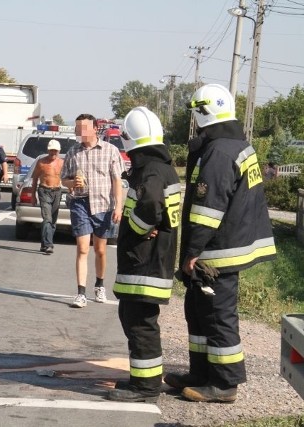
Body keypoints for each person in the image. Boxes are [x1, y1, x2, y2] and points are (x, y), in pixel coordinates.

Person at [164, 83, 277, 403]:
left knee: (217, 315)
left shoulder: (218, 151)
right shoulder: (235, 144)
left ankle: (225, 383)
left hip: (217, 251)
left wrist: (191, 252)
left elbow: (207, 209)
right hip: (224, 245)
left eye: (195, 113)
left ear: (203, 112)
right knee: (197, 311)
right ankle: (201, 373)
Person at [106, 107, 180, 403]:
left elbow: (150, 206)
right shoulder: (160, 167)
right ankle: (145, 378)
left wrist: (135, 228)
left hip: (144, 264)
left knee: (139, 323)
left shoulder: (150, 170)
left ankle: (146, 387)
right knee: (136, 319)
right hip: (150, 262)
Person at [61, 114, 124, 308]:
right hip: (80, 203)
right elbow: (64, 179)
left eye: (85, 128)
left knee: (100, 250)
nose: (81, 132)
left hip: (103, 205)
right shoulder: (73, 152)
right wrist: (72, 183)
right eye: (78, 128)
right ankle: (80, 293)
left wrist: (118, 206)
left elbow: (117, 181)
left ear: (96, 128)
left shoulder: (110, 150)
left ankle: (100, 285)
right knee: (82, 248)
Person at [30, 139, 64, 254]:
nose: (53, 153)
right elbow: (34, 179)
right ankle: (49, 245)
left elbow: (66, 178)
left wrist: (73, 189)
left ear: (58, 151)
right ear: (48, 151)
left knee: (53, 221)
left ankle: (44, 243)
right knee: (47, 219)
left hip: (57, 192)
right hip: (44, 191)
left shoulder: (61, 163)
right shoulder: (41, 162)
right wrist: (33, 196)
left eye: (55, 151)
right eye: (51, 151)